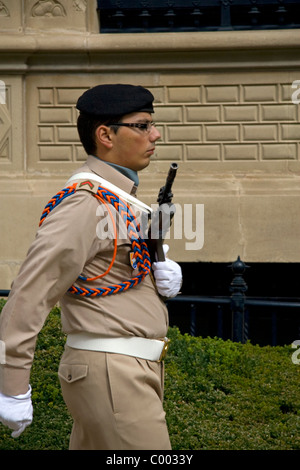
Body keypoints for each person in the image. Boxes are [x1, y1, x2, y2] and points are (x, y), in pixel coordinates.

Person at [0, 84, 182, 450]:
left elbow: (111, 267)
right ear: (105, 135)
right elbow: (30, 291)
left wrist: (159, 269)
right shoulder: (86, 202)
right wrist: (11, 385)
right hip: (112, 369)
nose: (155, 134)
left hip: (125, 368)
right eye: (143, 125)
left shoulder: (121, 200)